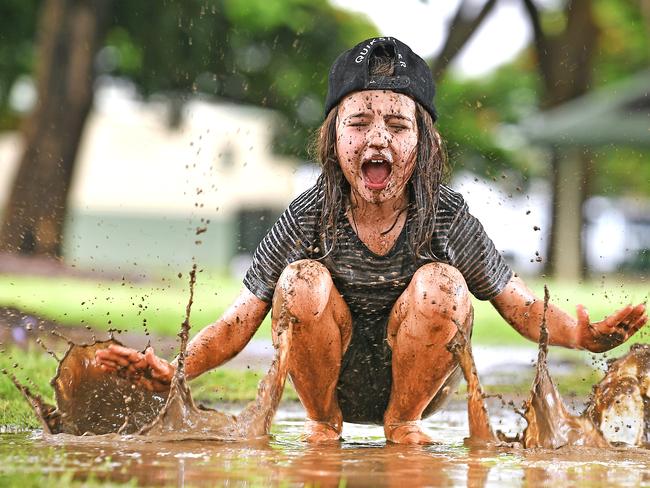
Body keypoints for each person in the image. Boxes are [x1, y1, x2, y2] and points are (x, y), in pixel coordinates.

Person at [96, 37, 648, 445]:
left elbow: (521, 307)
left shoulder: (446, 215)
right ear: (334, 137)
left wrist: (583, 333)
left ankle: (401, 424)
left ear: (424, 143)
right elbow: (237, 321)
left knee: (442, 284)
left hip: (419, 394)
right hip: (328, 385)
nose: (377, 138)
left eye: (397, 125)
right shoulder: (308, 215)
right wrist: (177, 368)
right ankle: (322, 425)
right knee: (300, 280)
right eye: (359, 123)